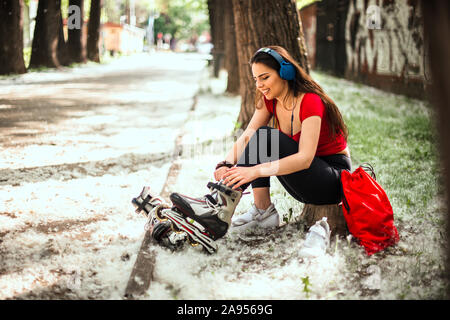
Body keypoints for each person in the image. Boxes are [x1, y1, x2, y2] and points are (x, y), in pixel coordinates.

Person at [168, 45, 351, 251]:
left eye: (265, 77)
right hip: (305, 179)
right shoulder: (270, 101)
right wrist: (226, 163)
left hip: (331, 180)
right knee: (260, 139)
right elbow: (248, 135)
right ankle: (257, 211)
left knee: (267, 138)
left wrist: (254, 171)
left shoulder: (310, 101)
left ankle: (219, 210)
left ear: (285, 72)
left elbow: (305, 159)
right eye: (256, 79)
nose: (260, 85)